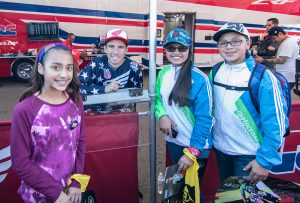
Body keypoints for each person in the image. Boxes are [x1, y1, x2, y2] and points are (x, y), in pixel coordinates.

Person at [211, 23, 288, 184]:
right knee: (227, 198)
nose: (229, 47)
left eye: (236, 41)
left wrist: (264, 161)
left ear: (248, 43)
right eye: (223, 42)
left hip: (249, 155)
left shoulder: (263, 76)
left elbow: (276, 124)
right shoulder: (216, 71)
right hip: (221, 150)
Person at [10, 43, 86, 203]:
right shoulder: (24, 110)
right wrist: (57, 194)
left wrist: (76, 181)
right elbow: (20, 163)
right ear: (41, 69)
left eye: (69, 68)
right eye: (56, 67)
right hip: (37, 196)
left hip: (69, 191)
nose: (64, 74)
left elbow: (80, 143)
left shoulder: (76, 101)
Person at [155, 28, 213, 181]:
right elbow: (158, 100)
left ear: (189, 50)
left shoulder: (200, 79)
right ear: (165, 50)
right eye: (171, 48)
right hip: (174, 140)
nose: (176, 52)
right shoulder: (163, 73)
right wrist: (162, 115)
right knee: (178, 186)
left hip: (195, 145)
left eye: (182, 48)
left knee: (192, 191)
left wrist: (192, 152)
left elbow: (205, 118)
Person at [78, 28, 143, 95]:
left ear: (126, 50)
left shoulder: (134, 68)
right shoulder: (96, 63)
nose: (115, 52)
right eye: (111, 46)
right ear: (105, 49)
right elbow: (75, 87)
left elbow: (137, 94)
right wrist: (104, 89)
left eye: (120, 47)